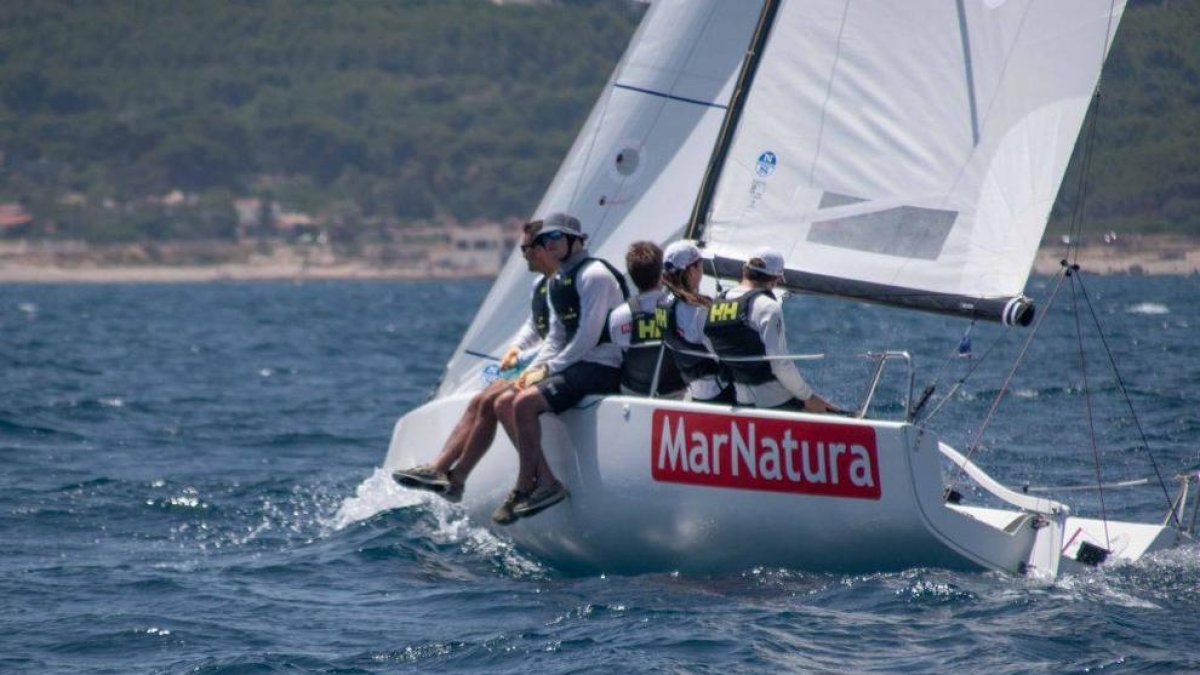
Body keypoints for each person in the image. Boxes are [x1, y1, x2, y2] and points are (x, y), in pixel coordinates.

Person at [391, 219, 561, 502]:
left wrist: (530, 367)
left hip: (554, 365)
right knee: (480, 400)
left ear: (541, 248)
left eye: (525, 249)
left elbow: (560, 337)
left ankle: (456, 478)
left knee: (493, 400)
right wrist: (516, 349)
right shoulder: (540, 285)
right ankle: (442, 471)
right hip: (537, 363)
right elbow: (534, 325)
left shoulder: (564, 283)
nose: (523, 255)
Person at [492, 212, 629, 524]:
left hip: (602, 366)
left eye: (555, 238)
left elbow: (588, 336)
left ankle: (527, 486)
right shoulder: (558, 279)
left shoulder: (594, 274)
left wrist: (549, 368)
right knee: (504, 401)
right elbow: (556, 335)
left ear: (575, 240)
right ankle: (546, 482)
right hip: (574, 364)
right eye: (543, 240)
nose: (548, 245)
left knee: (525, 403)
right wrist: (535, 368)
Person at [703, 247, 838, 412]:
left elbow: (712, 349)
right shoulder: (768, 307)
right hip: (776, 403)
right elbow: (780, 364)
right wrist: (808, 397)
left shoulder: (715, 304)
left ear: (745, 270)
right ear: (775, 279)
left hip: (742, 402)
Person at [658, 241, 736, 404]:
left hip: (694, 388)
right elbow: (721, 350)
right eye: (700, 265)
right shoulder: (698, 310)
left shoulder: (664, 303)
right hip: (718, 391)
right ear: (691, 271)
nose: (702, 270)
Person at [606, 241, 685, 398]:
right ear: (662, 275)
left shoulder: (618, 316)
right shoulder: (680, 309)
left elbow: (616, 356)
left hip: (634, 394)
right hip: (675, 394)